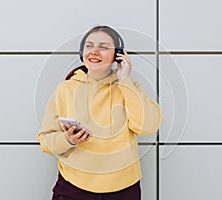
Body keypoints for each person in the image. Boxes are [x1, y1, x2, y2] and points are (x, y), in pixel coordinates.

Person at [37, 25, 162, 200]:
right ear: (82, 52)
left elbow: (147, 127)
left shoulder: (129, 87)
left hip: (123, 188)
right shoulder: (64, 89)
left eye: (103, 47)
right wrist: (68, 139)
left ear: (117, 55)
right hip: (73, 187)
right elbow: (46, 141)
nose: (94, 51)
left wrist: (124, 80)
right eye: (89, 46)